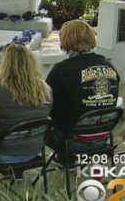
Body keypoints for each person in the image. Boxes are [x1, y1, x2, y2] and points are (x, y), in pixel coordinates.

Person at [45, 20, 120, 168]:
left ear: (67, 41)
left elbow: (46, 103)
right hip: (103, 137)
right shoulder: (109, 66)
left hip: (71, 141)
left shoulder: (62, 70)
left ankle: (66, 159)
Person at [0, 44, 52, 177]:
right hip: (34, 151)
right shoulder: (45, 88)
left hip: (0, 154)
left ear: (5, 63)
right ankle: (18, 174)